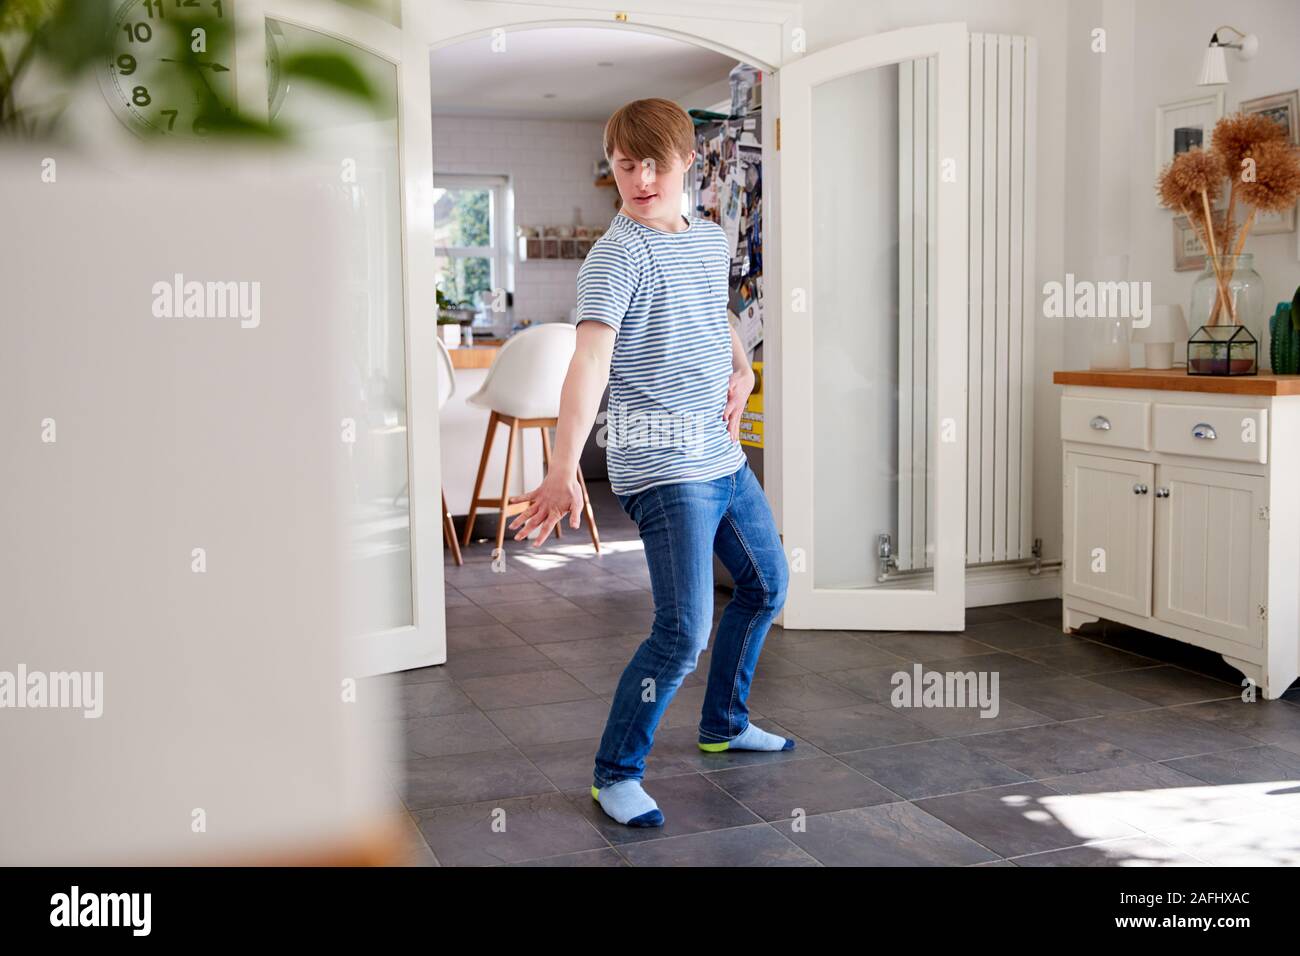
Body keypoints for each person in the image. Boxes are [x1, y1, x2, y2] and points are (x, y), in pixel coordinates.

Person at [507, 98, 791, 828]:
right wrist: (564, 465)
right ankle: (616, 772)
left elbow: (716, 309)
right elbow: (589, 361)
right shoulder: (616, 255)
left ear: (688, 160)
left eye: (653, 162)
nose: (639, 177)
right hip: (662, 465)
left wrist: (743, 368)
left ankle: (723, 723)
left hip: (719, 453)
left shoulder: (706, 237)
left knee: (765, 585)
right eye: (624, 164)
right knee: (683, 632)